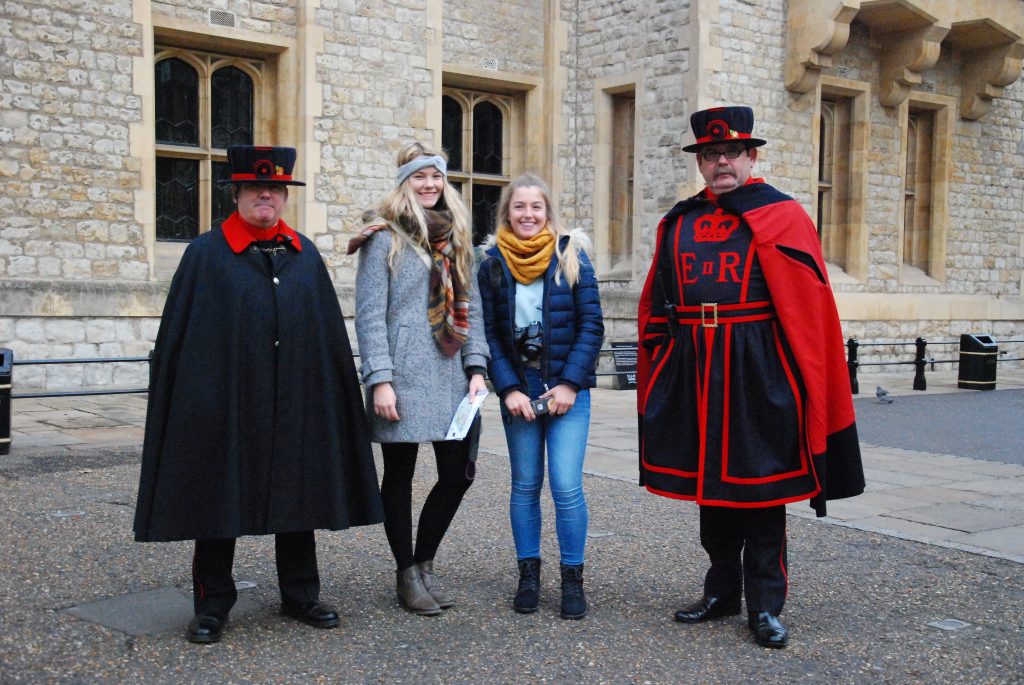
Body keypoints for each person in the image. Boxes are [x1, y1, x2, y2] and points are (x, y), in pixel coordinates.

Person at [134, 145, 385, 644]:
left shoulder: (304, 254)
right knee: (218, 497)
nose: (266, 195)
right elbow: (181, 338)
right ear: (238, 193)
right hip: (228, 401)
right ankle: (212, 603)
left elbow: (326, 335)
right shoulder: (205, 255)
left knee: (299, 491)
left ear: (284, 196)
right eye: (255, 188)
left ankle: (300, 594)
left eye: (274, 189)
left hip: (294, 400)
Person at [636, 106, 865, 648]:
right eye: (711, 155)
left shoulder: (782, 214)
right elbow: (657, 301)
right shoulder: (680, 220)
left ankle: (765, 606)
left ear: (751, 156)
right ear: (701, 162)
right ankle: (721, 592)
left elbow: (808, 308)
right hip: (696, 369)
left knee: (761, 492)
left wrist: (797, 383)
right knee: (711, 491)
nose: (721, 163)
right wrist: (664, 363)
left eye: (731, 153)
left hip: (758, 372)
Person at [349, 142, 489, 616]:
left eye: (436, 177)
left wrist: (477, 368)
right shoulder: (382, 236)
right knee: (401, 476)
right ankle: (406, 572)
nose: (429, 185)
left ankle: (425, 561)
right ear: (404, 181)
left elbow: (473, 309)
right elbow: (369, 316)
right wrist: (380, 380)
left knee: (458, 474)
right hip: (402, 377)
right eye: (419, 176)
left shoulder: (456, 237)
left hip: (452, 376)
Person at [478, 174, 604, 619]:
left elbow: (592, 326)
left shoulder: (572, 255)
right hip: (521, 391)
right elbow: (488, 333)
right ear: (506, 213)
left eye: (536, 207)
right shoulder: (491, 263)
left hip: (567, 391)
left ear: (548, 212)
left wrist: (570, 383)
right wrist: (508, 387)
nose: (528, 215)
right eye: (519, 207)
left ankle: (573, 578)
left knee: (566, 487)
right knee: (525, 486)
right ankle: (528, 574)